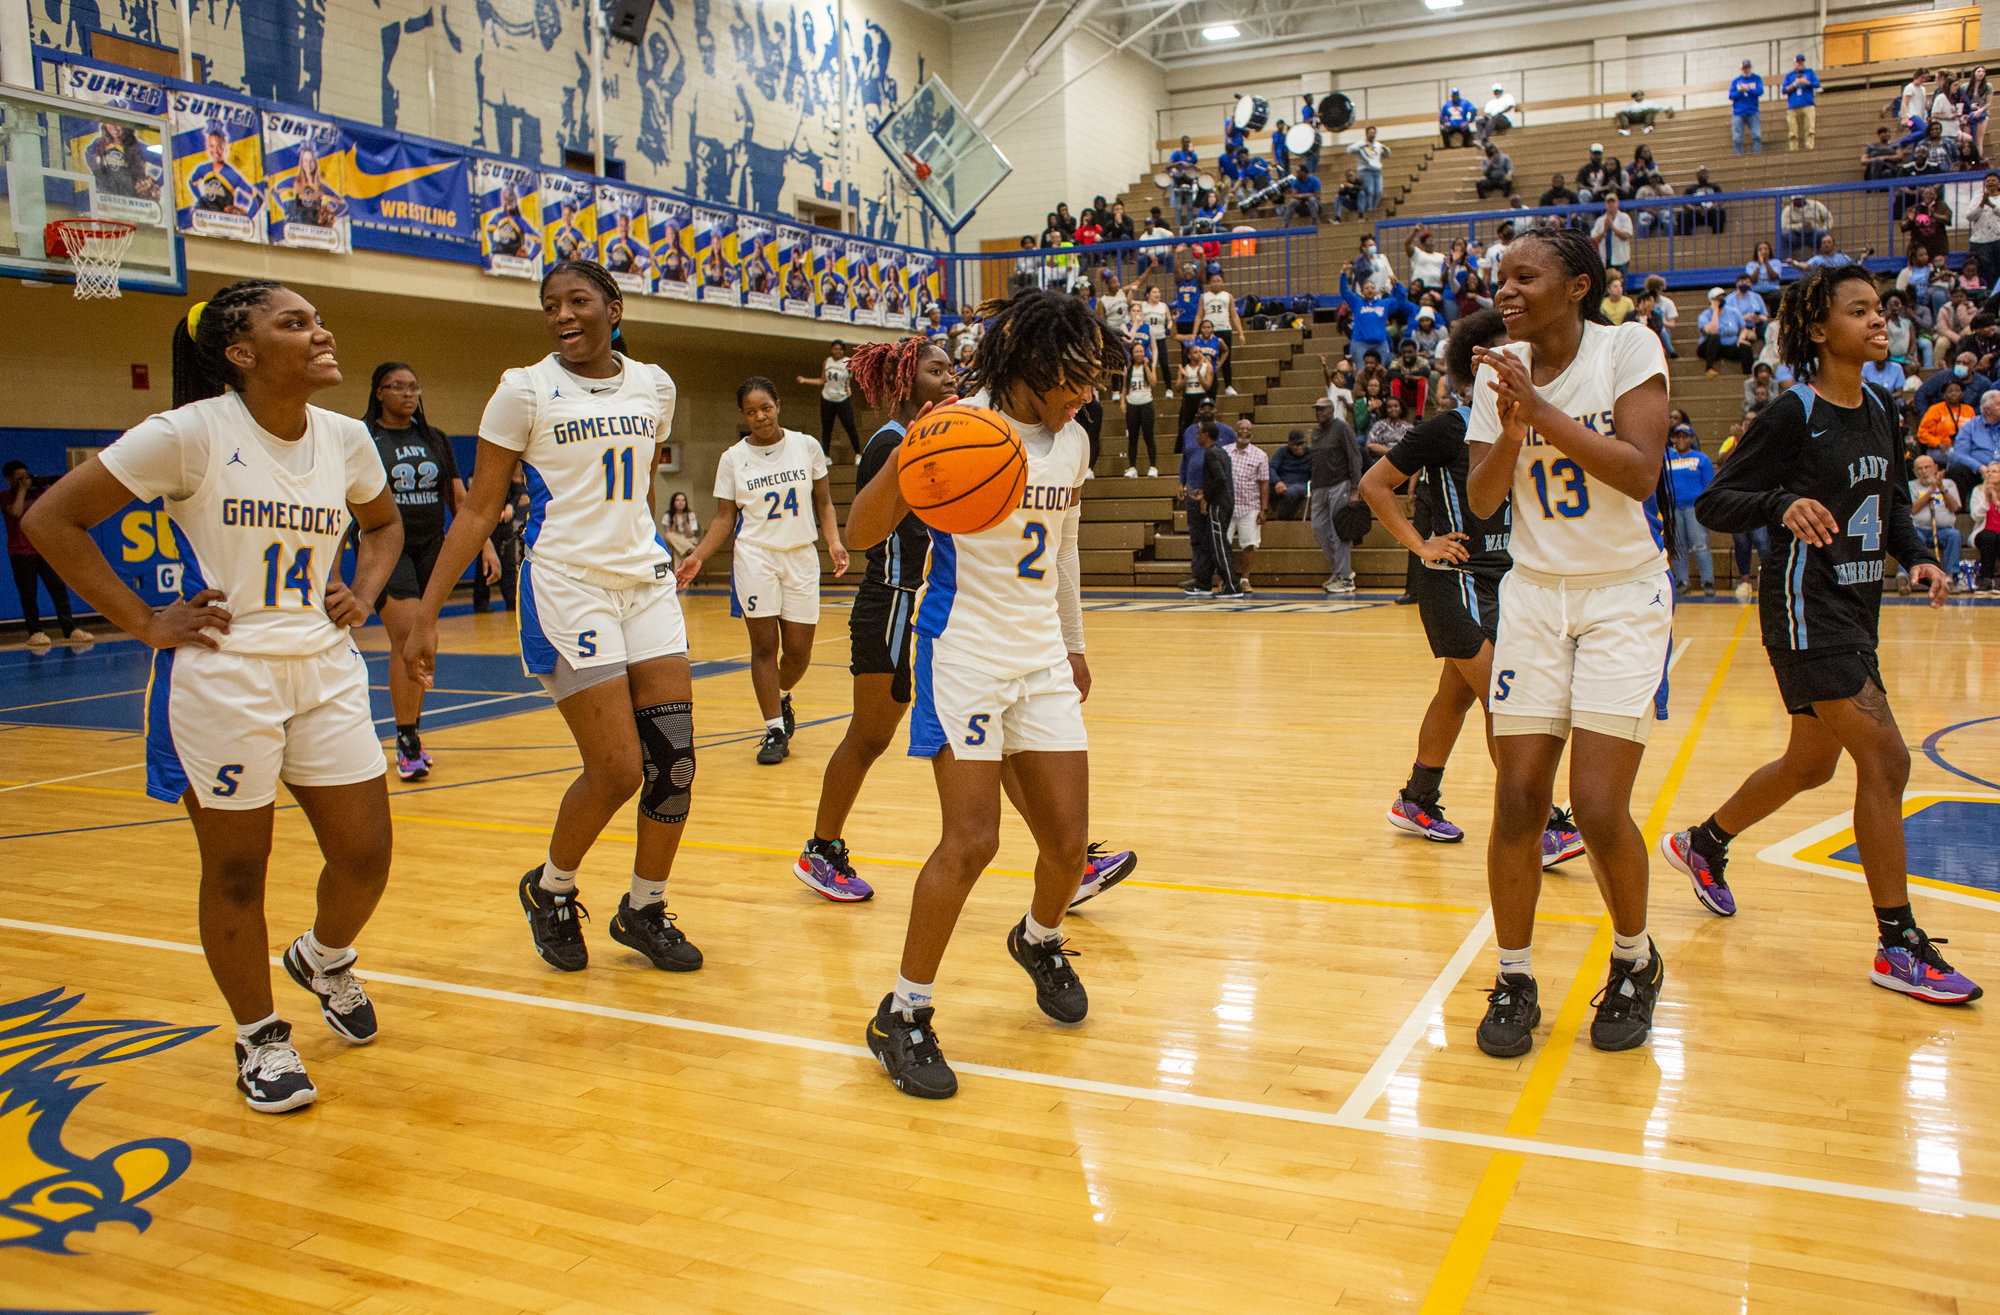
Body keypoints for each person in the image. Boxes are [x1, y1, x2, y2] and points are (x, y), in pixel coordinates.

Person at [26, 279, 402, 1112]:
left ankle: (325, 956)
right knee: (237, 871)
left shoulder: (346, 437)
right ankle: (260, 1037)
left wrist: (365, 591)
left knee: (366, 854)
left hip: (325, 666)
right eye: (294, 323)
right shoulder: (188, 433)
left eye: (317, 319)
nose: (320, 332)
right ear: (242, 352)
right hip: (223, 677)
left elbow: (383, 525)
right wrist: (140, 619)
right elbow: (51, 519)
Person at [1664, 263, 1980, 1005]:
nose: (1880, 321)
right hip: (1806, 608)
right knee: (1888, 757)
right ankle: (1897, 941)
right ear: (1818, 328)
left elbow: (1894, 501)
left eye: (1882, 310)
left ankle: (1704, 841)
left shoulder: (1880, 406)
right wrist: (1781, 504)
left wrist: (1924, 559)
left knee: (1812, 763)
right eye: (1861, 311)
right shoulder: (1792, 412)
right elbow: (1716, 500)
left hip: (1857, 606)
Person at [404, 259, 702, 981]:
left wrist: (659, 546)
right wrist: (428, 611)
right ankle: (552, 888)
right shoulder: (524, 389)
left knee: (676, 765)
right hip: (568, 585)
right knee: (618, 768)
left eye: (577, 301)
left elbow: (628, 491)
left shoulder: (653, 385)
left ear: (614, 306)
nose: (562, 315)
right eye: (550, 306)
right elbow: (478, 506)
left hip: (645, 584)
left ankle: (644, 908)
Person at [862, 289, 1122, 1099]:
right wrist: (912, 452)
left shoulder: (1074, 440)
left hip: (1040, 653)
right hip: (963, 649)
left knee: (1067, 847)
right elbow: (866, 532)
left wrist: (1074, 644)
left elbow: (1068, 548)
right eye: (1075, 375)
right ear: (1033, 364)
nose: (1086, 391)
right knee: (972, 841)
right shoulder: (954, 426)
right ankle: (902, 1013)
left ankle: (1039, 939)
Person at [1463, 226, 1676, 1059]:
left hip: (1622, 595)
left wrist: (1541, 409)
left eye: (1525, 275)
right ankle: (1514, 975)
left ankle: (1634, 958)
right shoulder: (1497, 374)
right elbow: (1483, 504)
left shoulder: (1627, 345)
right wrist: (1512, 424)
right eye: (1499, 278)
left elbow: (1638, 470)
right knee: (1518, 795)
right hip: (1533, 598)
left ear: (1577, 284)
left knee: (1594, 801)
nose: (1506, 289)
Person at [1361, 309, 1585, 862]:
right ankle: (1542, 823)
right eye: (1509, 353)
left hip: (1505, 581)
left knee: (1456, 694)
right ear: (1479, 364)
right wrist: (1421, 545)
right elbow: (1375, 483)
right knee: (1505, 701)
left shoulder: (1528, 425)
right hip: (1452, 580)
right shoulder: (1447, 427)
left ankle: (1417, 799)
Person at [678, 377, 848, 764]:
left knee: (799, 653)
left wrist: (834, 542)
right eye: (751, 411)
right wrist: (698, 555)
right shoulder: (732, 458)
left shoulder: (807, 446)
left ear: (778, 405)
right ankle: (774, 729)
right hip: (755, 557)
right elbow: (724, 518)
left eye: (765, 408)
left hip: (801, 555)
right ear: (744, 415)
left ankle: (780, 695)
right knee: (764, 648)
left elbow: (823, 503)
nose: (759, 416)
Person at [362, 362, 500, 780]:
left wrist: (486, 545)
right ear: (379, 393)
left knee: (423, 641)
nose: (408, 394)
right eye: (397, 387)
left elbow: (460, 499)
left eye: (413, 387)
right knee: (405, 637)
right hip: (387, 547)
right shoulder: (364, 437)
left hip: (431, 547)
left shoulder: (435, 439)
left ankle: (413, 731)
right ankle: (406, 741)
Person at [4, 460, 88, 645]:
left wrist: (45, 484)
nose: (24, 482)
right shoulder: (5, 497)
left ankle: (70, 629)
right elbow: (16, 512)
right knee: (29, 594)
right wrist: (22, 490)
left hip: (44, 549)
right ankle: (35, 632)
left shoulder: (38, 493)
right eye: (18, 479)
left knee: (59, 590)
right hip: (21, 553)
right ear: (8, 479)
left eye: (25, 477)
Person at [1305, 398, 1363, 594]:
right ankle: (1340, 571)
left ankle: (1344, 577)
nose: (1319, 413)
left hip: (1340, 483)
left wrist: (1355, 488)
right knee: (1319, 529)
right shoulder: (1316, 432)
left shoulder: (1342, 428)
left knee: (1339, 532)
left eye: (1322, 409)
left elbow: (1355, 456)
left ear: (1331, 410)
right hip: (1320, 487)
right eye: (1317, 410)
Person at [1184, 420, 1244, 599]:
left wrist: (1206, 497)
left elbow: (1220, 480)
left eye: (1199, 434)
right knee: (1210, 542)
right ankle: (1203, 584)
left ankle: (1232, 585)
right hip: (1223, 502)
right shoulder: (1221, 452)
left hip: (1219, 504)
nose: (1196, 437)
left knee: (1219, 545)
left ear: (1205, 435)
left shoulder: (1211, 454)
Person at [1667, 427, 1716, 594]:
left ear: (1692, 439)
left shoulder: (1701, 459)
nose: (1681, 440)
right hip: (1673, 508)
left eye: (1685, 437)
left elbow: (1709, 484)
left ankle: (1708, 582)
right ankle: (1682, 582)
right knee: (1678, 547)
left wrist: (1705, 508)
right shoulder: (1667, 458)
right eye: (1678, 436)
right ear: (1672, 438)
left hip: (1694, 508)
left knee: (1700, 545)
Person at [1224, 420, 1269, 587]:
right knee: (1223, 544)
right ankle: (1225, 579)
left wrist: (1263, 509)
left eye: (1248, 429)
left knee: (1249, 544)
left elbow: (1264, 483)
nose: (1245, 432)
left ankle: (1245, 579)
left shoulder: (1260, 455)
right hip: (1227, 506)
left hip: (1250, 506)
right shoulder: (1225, 452)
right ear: (1236, 432)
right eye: (1241, 429)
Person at [797, 341, 859, 458]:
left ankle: (858, 454)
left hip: (843, 398)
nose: (837, 351)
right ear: (831, 350)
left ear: (844, 351)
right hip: (827, 398)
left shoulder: (848, 362)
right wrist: (805, 380)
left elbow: (859, 370)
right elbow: (822, 380)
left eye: (840, 349)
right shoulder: (827, 361)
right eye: (835, 349)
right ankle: (826, 455)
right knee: (827, 428)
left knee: (850, 426)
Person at [1200, 274, 1245, 395]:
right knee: (1208, 358)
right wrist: (1195, 333)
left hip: (1225, 329)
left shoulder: (1227, 296)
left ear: (1222, 282)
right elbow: (1199, 315)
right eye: (1213, 281)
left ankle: (1228, 385)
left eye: (1218, 281)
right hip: (1209, 331)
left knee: (1226, 358)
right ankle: (1208, 384)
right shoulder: (1204, 297)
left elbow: (1234, 315)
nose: (1216, 283)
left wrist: (1241, 333)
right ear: (1209, 283)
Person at [1121, 338, 1159, 477]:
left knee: (1149, 436)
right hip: (1132, 404)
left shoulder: (1147, 366)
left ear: (1145, 353)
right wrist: (1122, 402)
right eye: (1136, 351)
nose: (1139, 353)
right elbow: (1125, 386)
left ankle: (1153, 466)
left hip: (1146, 404)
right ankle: (1132, 467)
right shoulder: (1128, 368)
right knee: (1133, 437)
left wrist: (1147, 366)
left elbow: (1153, 383)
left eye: (1141, 351)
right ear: (1132, 353)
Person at [1698, 287, 1755, 376]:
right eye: (1717, 298)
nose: (1720, 300)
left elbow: (1743, 328)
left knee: (1746, 348)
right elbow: (1713, 330)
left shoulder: (1734, 312)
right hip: (1710, 348)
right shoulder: (1704, 316)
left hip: (1729, 346)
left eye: (1722, 297)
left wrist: (1741, 338)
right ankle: (1709, 368)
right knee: (1715, 336)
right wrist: (1715, 311)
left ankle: (1748, 375)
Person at [1269, 428, 1312, 520]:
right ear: (1289, 444)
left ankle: (1282, 521)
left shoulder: (1310, 453)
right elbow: (1271, 468)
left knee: (1290, 493)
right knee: (1264, 489)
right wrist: (1277, 481)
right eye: (1296, 445)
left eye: (1302, 444)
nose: (1299, 447)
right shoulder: (1282, 451)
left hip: (1301, 483)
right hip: (1283, 482)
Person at [1347, 126, 1389, 214]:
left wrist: (1386, 149)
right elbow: (1349, 150)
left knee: (1378, 191)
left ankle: (1373, 209)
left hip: (1376, 171)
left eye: (1373, 133)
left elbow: (1386, 155)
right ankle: (1369, 210)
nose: (1372, 135)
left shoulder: (1378, 145)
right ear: (1366, 134)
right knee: (1370, 191)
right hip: (1365, 170)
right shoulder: (1361, 143)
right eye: (1370, 133)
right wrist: (1363, 146)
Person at [1972, 460, 2000, 591]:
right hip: (1983, 533)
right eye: (1988, 471)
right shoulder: (1977, 491)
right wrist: (1987, 502)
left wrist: (1996, 502)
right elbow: (1975, 516)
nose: (1990, 474)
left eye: (1994, 471)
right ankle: (1985, 580)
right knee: (1989, 537)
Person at [1783, 54, 1820, 150]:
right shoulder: (1789, 75)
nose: (1800, 64)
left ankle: (1809, 148)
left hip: (1808, 105)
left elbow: (1816, 84)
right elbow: (1784, 90)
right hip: (1793, 107)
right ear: (1794, 63)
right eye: (1798, 62)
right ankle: (1793, 150)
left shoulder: (1810, 72)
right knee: (1793, 133)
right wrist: (1795, 83)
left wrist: (1805, 82)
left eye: (1801, 62)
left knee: (1810, 130)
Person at [1589, 195, 1632, 276]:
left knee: (1621, 285)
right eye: (1609, 202)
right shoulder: (1600, 220)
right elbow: (1593, 239)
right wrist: (1604, 230)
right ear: (1605, 204)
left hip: (1620, 258)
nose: (1611, 204)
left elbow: (1627, 235)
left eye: (1613, 202)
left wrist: (1612, 227)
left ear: (1617, 203)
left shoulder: (1624, 218)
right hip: (1605, 259)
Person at [1730, 59, 1765, 154]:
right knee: (1737, 138)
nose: (1746, 70)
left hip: (1752, 111)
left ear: (1750, 68)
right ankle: (1738, 157)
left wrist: (1748, 89)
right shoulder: (1736, 81)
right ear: (1741, 69)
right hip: (1738, 112)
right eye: (1744, 68)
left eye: (1748, 68)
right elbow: (1731, 96)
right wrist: (1740, 91)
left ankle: (1757, 155)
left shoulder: (1757, 78)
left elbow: (1760, 91)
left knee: (1756, 135)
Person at [660, 490, 700, 564]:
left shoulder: (690, 514)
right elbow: (669, 535)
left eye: (683, 500)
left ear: (685, 503)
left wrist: (685, 523)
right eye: (678, 500)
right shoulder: (667, 516)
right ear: (673, 502)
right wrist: (674, 523)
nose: (681, 502)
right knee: (669, 537)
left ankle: (677, 573)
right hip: (676, 541)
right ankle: (690, 549)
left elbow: (691, 534)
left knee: (677, 549)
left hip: (688, 540)